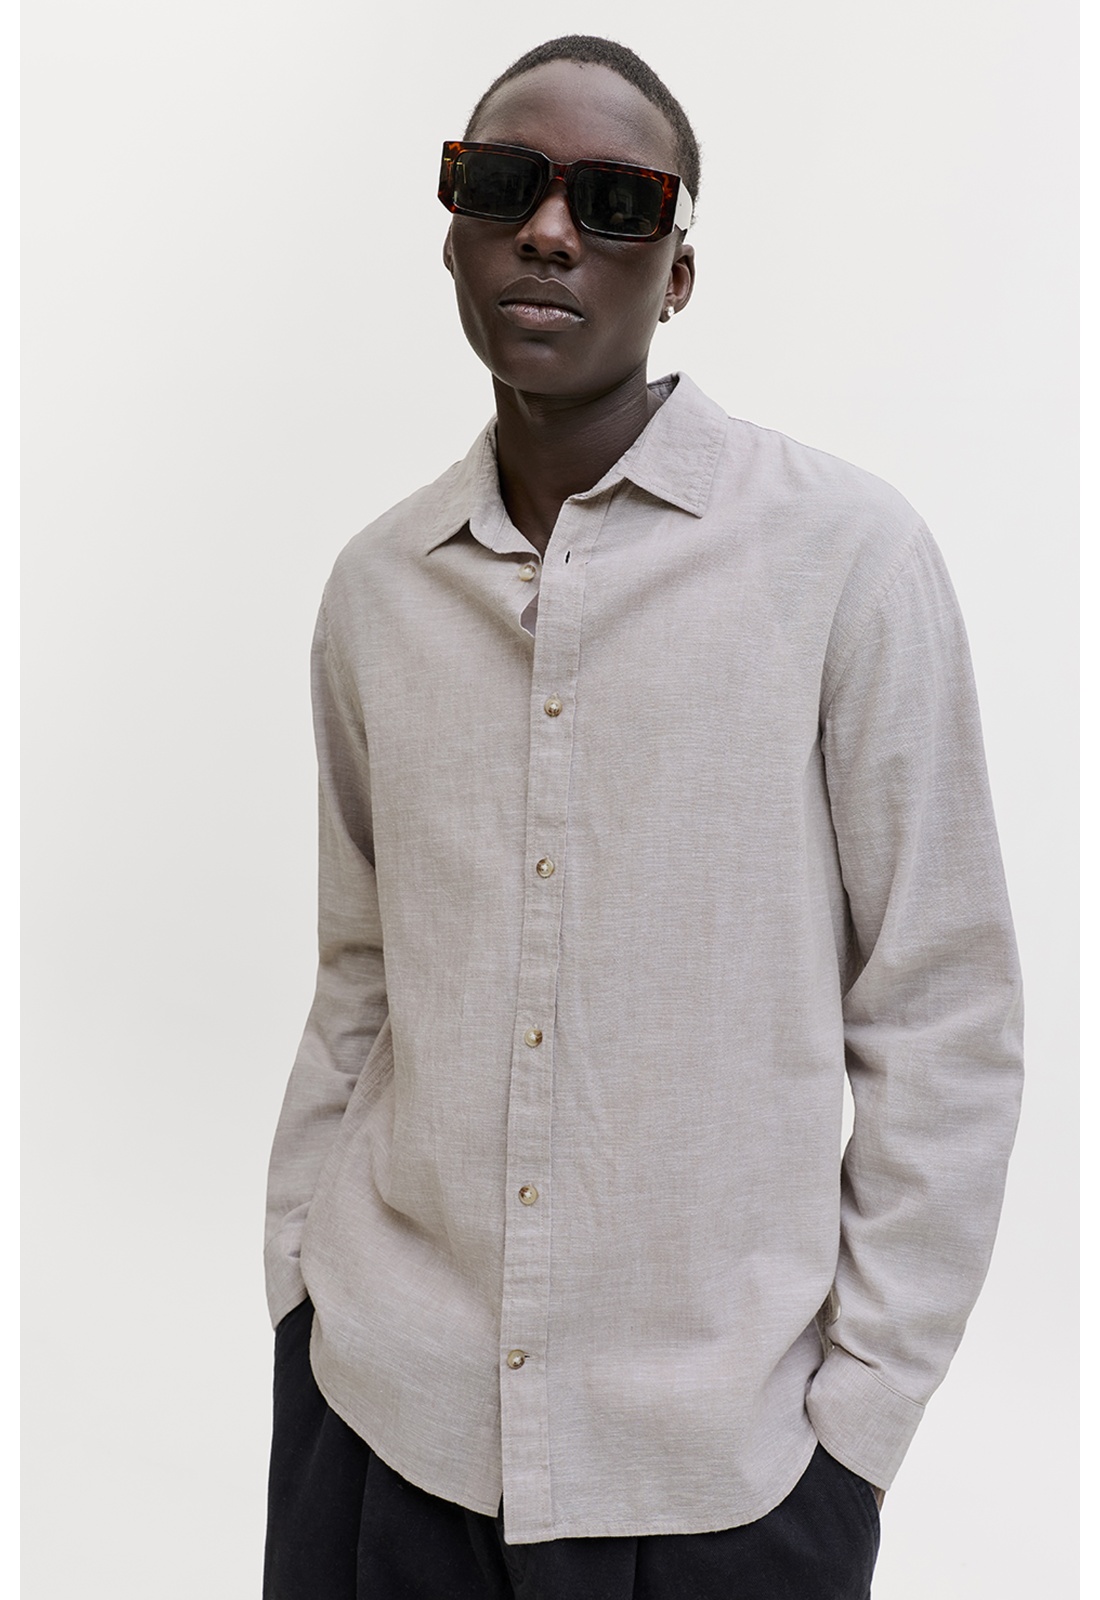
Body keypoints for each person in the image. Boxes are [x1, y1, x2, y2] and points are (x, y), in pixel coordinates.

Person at [262, 34, 1023, 1600]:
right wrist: (298, 1295)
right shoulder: (376, 591)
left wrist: (857, 1437)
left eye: (614, 202)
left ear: (676, 274)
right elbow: (361, 979)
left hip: (723, 1481)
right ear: (455, 233)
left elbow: (944, 1016)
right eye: (504, 185)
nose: (550, 232)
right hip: (384, 1425)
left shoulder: (849, 563)